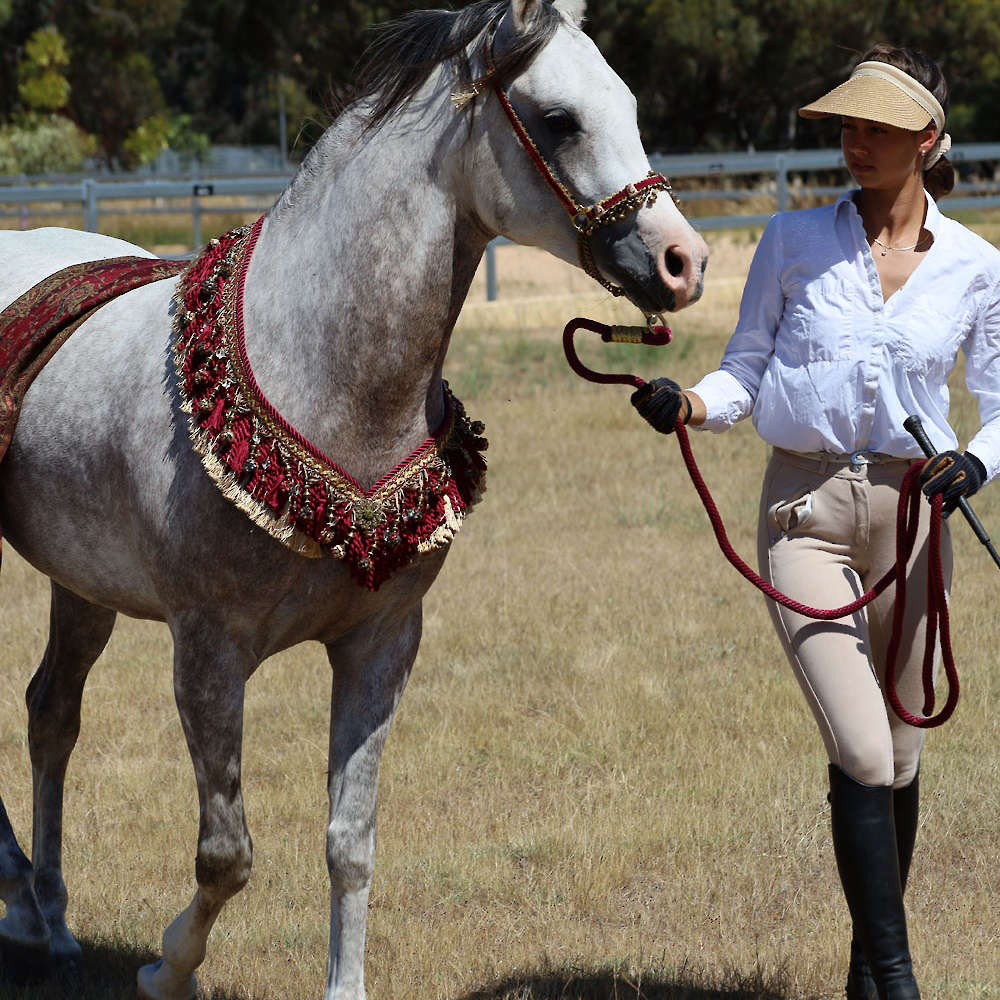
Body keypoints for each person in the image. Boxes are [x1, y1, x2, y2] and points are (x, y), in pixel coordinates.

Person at [632, 44, 1000, 1000]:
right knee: (864, 745)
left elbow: (999, 405)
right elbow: (745, 369)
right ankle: (898, 978)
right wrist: (695, 406)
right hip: (806, 516)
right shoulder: (794, 241)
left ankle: (862, 977)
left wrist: (977, 462)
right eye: (846, 124)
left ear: (926, 138)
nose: (854, 141)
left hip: (919, 516)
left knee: (905, 752)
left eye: (877, 125)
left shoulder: (975, 267)